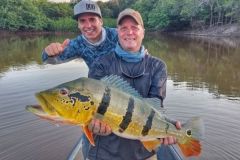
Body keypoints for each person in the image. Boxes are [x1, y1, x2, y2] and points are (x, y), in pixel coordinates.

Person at [84, 8, 181, 160]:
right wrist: (92, 125)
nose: (129, 32)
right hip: (105, 154)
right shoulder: (100, 65)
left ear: (143, 32)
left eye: (135, 28)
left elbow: (154, 107)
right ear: (117, 32)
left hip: (144, 153)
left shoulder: (158, 66)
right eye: (124, 28)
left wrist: (169, 128)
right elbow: (90, 107)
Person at [41, 0, 118, 67]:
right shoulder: (78, 44)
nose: (88, 26)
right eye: (82, 21)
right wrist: (48, 52)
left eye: (92, 19)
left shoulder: (117, 35)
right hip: (96, 83)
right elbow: (48, 61)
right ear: (78, 25)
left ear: (101, 21)